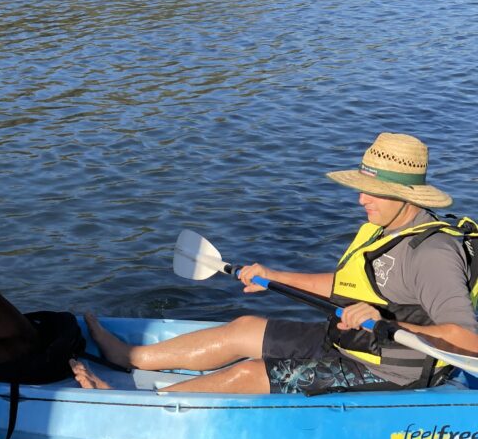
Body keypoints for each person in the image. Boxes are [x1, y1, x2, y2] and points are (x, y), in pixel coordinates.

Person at [70, 132, 478, 394]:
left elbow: (467, 339)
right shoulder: (383, 226)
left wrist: (389, 324)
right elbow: (349, 284)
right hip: (351, 342)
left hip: (392, 369)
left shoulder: (433, 255)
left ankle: (143, 404)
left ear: (408, 197)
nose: (360, 199)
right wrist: (273, 275)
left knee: (250, 373)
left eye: (373, 191)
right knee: (244, 328)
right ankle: (132, 358)